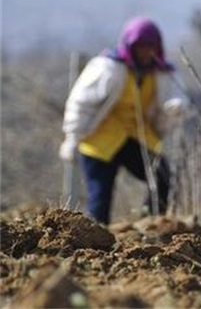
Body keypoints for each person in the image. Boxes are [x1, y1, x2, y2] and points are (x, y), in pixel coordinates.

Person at [58, 17, 187, 224]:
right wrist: (72, 137)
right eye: (140, 47)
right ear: (130, 46)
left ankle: (150, 223)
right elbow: (81, 103)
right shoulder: (108, 68)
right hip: (100, 140)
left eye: (150, 47)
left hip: (138, 139)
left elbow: (177, 95)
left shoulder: (163, 73)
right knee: (100, 196)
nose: (145, 52)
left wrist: (175, 107)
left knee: (163, 179)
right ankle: (95, 242)